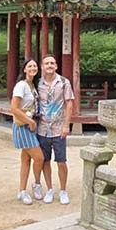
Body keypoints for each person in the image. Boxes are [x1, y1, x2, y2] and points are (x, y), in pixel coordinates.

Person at [35, 54, 75, 205]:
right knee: (45, 161)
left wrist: (66, 125)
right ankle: (49, 189)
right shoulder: (38, 83)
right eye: (46, 63)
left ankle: (63, 190)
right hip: (42, 128)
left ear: (56, 66)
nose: (49, 65)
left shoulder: (64, 82)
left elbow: (69, 103)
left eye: (52, 63)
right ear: (42, 66)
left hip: (59, 128)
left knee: (61, 161)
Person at [10, 59, 46, 205]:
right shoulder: (21, 85)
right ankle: (36, 184)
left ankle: (22, 191)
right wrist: (30, 121)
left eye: (35, 66)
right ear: (24, 69)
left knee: (26, 160)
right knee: (39, 157)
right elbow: (14, 108)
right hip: (23, 126)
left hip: (30, 125)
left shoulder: (33, 85)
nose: (33, 68)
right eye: (29, 66)